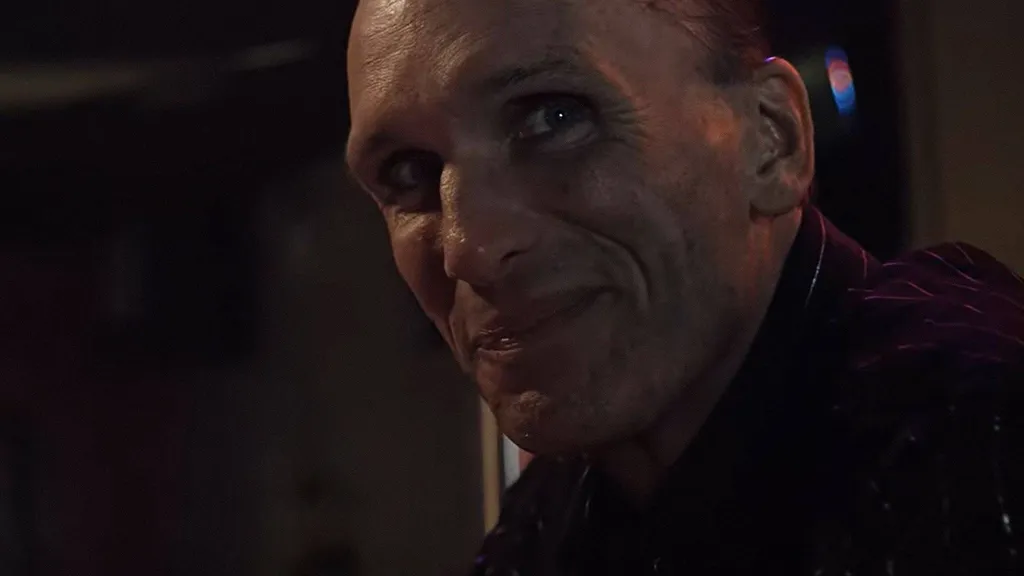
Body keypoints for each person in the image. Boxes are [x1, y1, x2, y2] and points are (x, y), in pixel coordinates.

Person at [344, 0, 1024, 573]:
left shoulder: (976, 436)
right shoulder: (556, 516)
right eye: (409, 171)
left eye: (554, 118)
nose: (470, 249)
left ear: (772, 141)